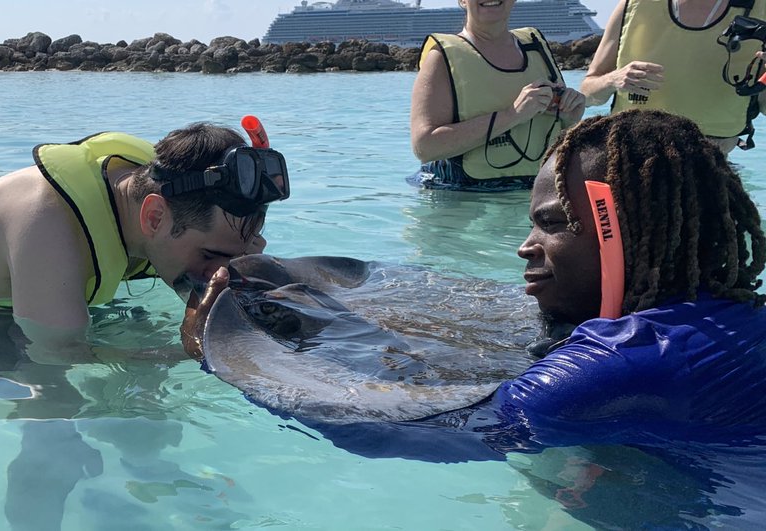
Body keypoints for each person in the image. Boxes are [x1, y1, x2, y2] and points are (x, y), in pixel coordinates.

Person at [185, 110, 766, 448]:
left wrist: (217, 347)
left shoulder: (632, 358)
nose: (525, 247)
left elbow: (401, 431)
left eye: (551, 225)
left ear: (622, 235)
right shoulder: (724, 319)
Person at [0, 122, 287, 359]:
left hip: (51, 309)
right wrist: (195, 345)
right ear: (154, 216)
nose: (218, 271)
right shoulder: (45, 222)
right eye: (211, 254)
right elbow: (58, 354)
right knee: (58, 405)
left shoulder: (157, 187)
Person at [409, 0, 586, 191]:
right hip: (460, 195)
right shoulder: (442, 56)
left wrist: (570, 116)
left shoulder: (536, 47)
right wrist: (513, 115)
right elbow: (424, 147)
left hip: (537, 190)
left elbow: (557, 134)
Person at [580, 0, 766, 153]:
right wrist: (613, 80)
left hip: (710, 168)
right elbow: (587, 93)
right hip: (630, 155)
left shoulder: (760, 10)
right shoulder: (634, 6)